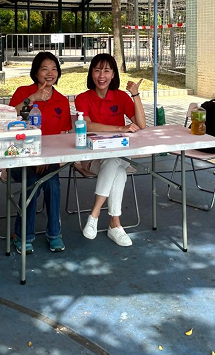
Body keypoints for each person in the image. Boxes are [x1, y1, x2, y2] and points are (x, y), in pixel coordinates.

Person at [74, 53, 146, 247]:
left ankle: (94, 214)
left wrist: (135, 94)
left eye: (106, 71)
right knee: (118, 171)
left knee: (114, 160)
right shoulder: (82, 98)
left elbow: (141, 124)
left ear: (113, 74)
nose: (101, 75)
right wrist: (120, 128)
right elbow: (87, 126)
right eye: (97, 70)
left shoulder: (121, 96)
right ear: (91, 73)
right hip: (92, 157)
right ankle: (114, 224)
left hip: (119, 154)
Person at [8, 51, 72, 253]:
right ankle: (22, 235)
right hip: (20, 158)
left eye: (54, 69)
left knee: (52, 182)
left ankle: (54, 234)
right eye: (44, 69)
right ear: (36, 73)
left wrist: (47, 159)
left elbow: (62, 136)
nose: (50, 73)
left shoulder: (61, 100)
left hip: (48, 159)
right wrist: (32, 98)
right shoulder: (23, 92)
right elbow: (8, 118)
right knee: (32, 180)